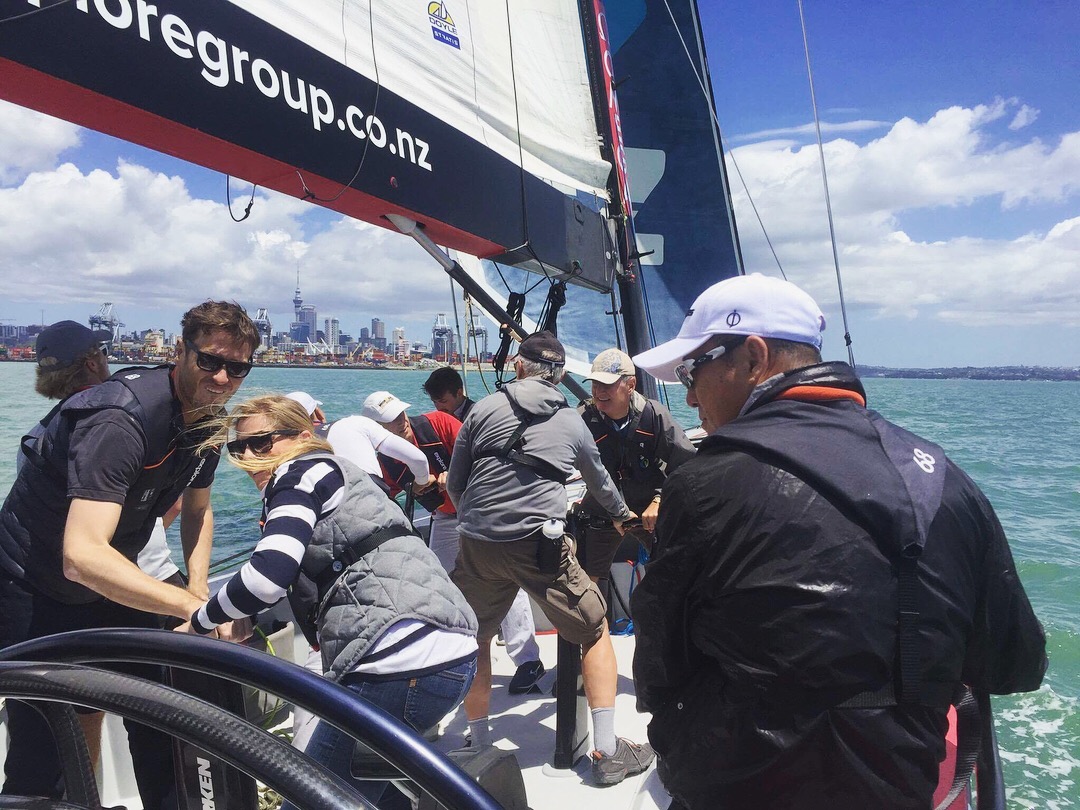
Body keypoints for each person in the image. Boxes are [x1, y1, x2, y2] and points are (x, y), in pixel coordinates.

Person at [629, 273, 1048, 809]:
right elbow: (1015, 663)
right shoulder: (946, 481)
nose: (687, 396)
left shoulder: (703, 483)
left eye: (692, 370)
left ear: (754, 359)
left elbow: (659, 675)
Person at [0, 301, 260, 807]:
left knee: (164, 712)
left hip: (111, 576)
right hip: (32, 587)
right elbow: (81, 553)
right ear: (180, 351)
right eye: (209, 361)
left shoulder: (207, 419)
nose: (224, 377)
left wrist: (197, 590)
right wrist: (189, 608)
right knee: (47, 749)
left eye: (238, 367)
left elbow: (198, 511)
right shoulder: (119, 419)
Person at [182, 394, 478, 808]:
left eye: (262, 442)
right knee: (378, 793)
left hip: (399, 663)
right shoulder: (338, 471)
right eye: (239, 447)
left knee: (311, 796)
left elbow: (266, 579)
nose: (249, 455)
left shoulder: (297, 472)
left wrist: (198, 622)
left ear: (303, 437)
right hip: (449, 651)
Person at [446, 331, 654, 786]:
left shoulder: (482, 408)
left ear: (519, 366)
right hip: (540, 546)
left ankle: (477, 746)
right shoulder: (572, 420)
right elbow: (599, 483)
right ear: (559, 376)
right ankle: (607, 750)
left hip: (478, 544)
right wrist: (624, 517)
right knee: (594, 628)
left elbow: (455, 484)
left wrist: (481, 523)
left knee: (476, 637)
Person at [15, 320, 187, 774]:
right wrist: (190, 601)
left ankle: (83, 801)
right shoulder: (111, 422)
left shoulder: (46, 429)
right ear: (94, 360)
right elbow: (147, 524)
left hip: (35, 588)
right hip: (80, 582)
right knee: (151, 713)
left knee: (58, 722)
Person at [362, 391, 546, 696]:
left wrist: (456, 474)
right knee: (443, 586)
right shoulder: (384, 461)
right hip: (447, 518)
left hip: (485, 510)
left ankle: (528, 660)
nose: (400, 420)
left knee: (505, 579)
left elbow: (487, 456)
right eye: (390, 420)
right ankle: (454, 657)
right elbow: (381, 495)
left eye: (399, 413)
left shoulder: (440, 424)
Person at [576, 348, 695, 582]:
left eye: (606, 385)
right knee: (585, 585)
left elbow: (688, 465)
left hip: (649, 513)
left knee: (674, 571)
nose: (598, 391)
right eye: (595, 384)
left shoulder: (654, 416)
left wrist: (660, 500)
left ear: (630, 385)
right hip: (603, 512)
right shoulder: (581, 419)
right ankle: (597, 619)